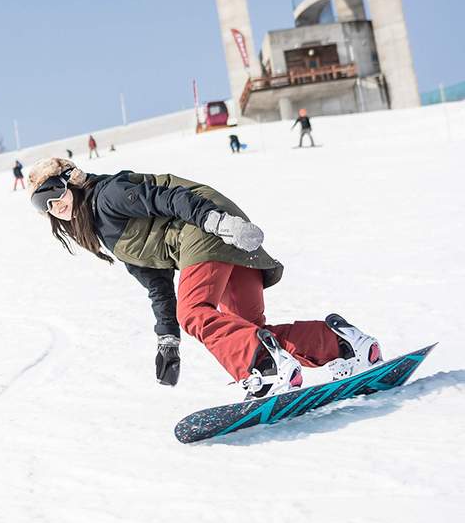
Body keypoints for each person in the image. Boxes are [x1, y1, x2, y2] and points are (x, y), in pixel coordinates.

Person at [26, 157, 383, 399]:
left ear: (72, 182)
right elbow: (157, 284)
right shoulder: (105, 233)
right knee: (247, 330)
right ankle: (345, 345)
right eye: (45, 205)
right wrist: (168, 341)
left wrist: (218, 223)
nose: (56, 206)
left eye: (55, 194)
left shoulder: (109, 195)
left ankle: (265, 370)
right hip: (216, 231)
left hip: (207, 227)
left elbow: (168, 198)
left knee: (195, 313)